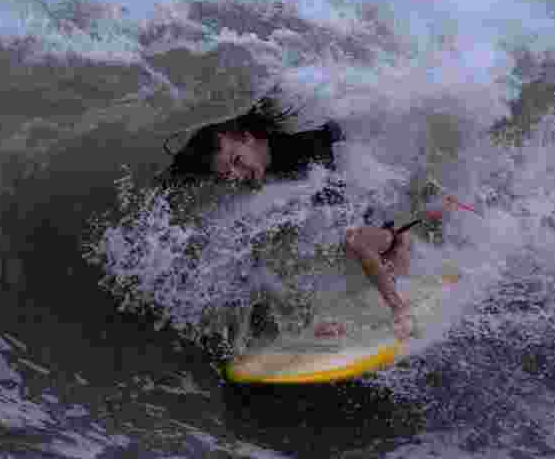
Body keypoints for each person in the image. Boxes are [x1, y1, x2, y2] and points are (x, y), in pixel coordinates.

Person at [162, 93, 414, 341]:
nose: (238, 175)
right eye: (228, 174)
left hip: (372, 214)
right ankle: (312, 318)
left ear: (248, 138)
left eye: (237, 161)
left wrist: (388, 236)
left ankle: (400, 306)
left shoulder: (305, 148)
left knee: (348, 239)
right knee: (273, 245)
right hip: (345, 206)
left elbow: (343, 211)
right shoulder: (264, 163)